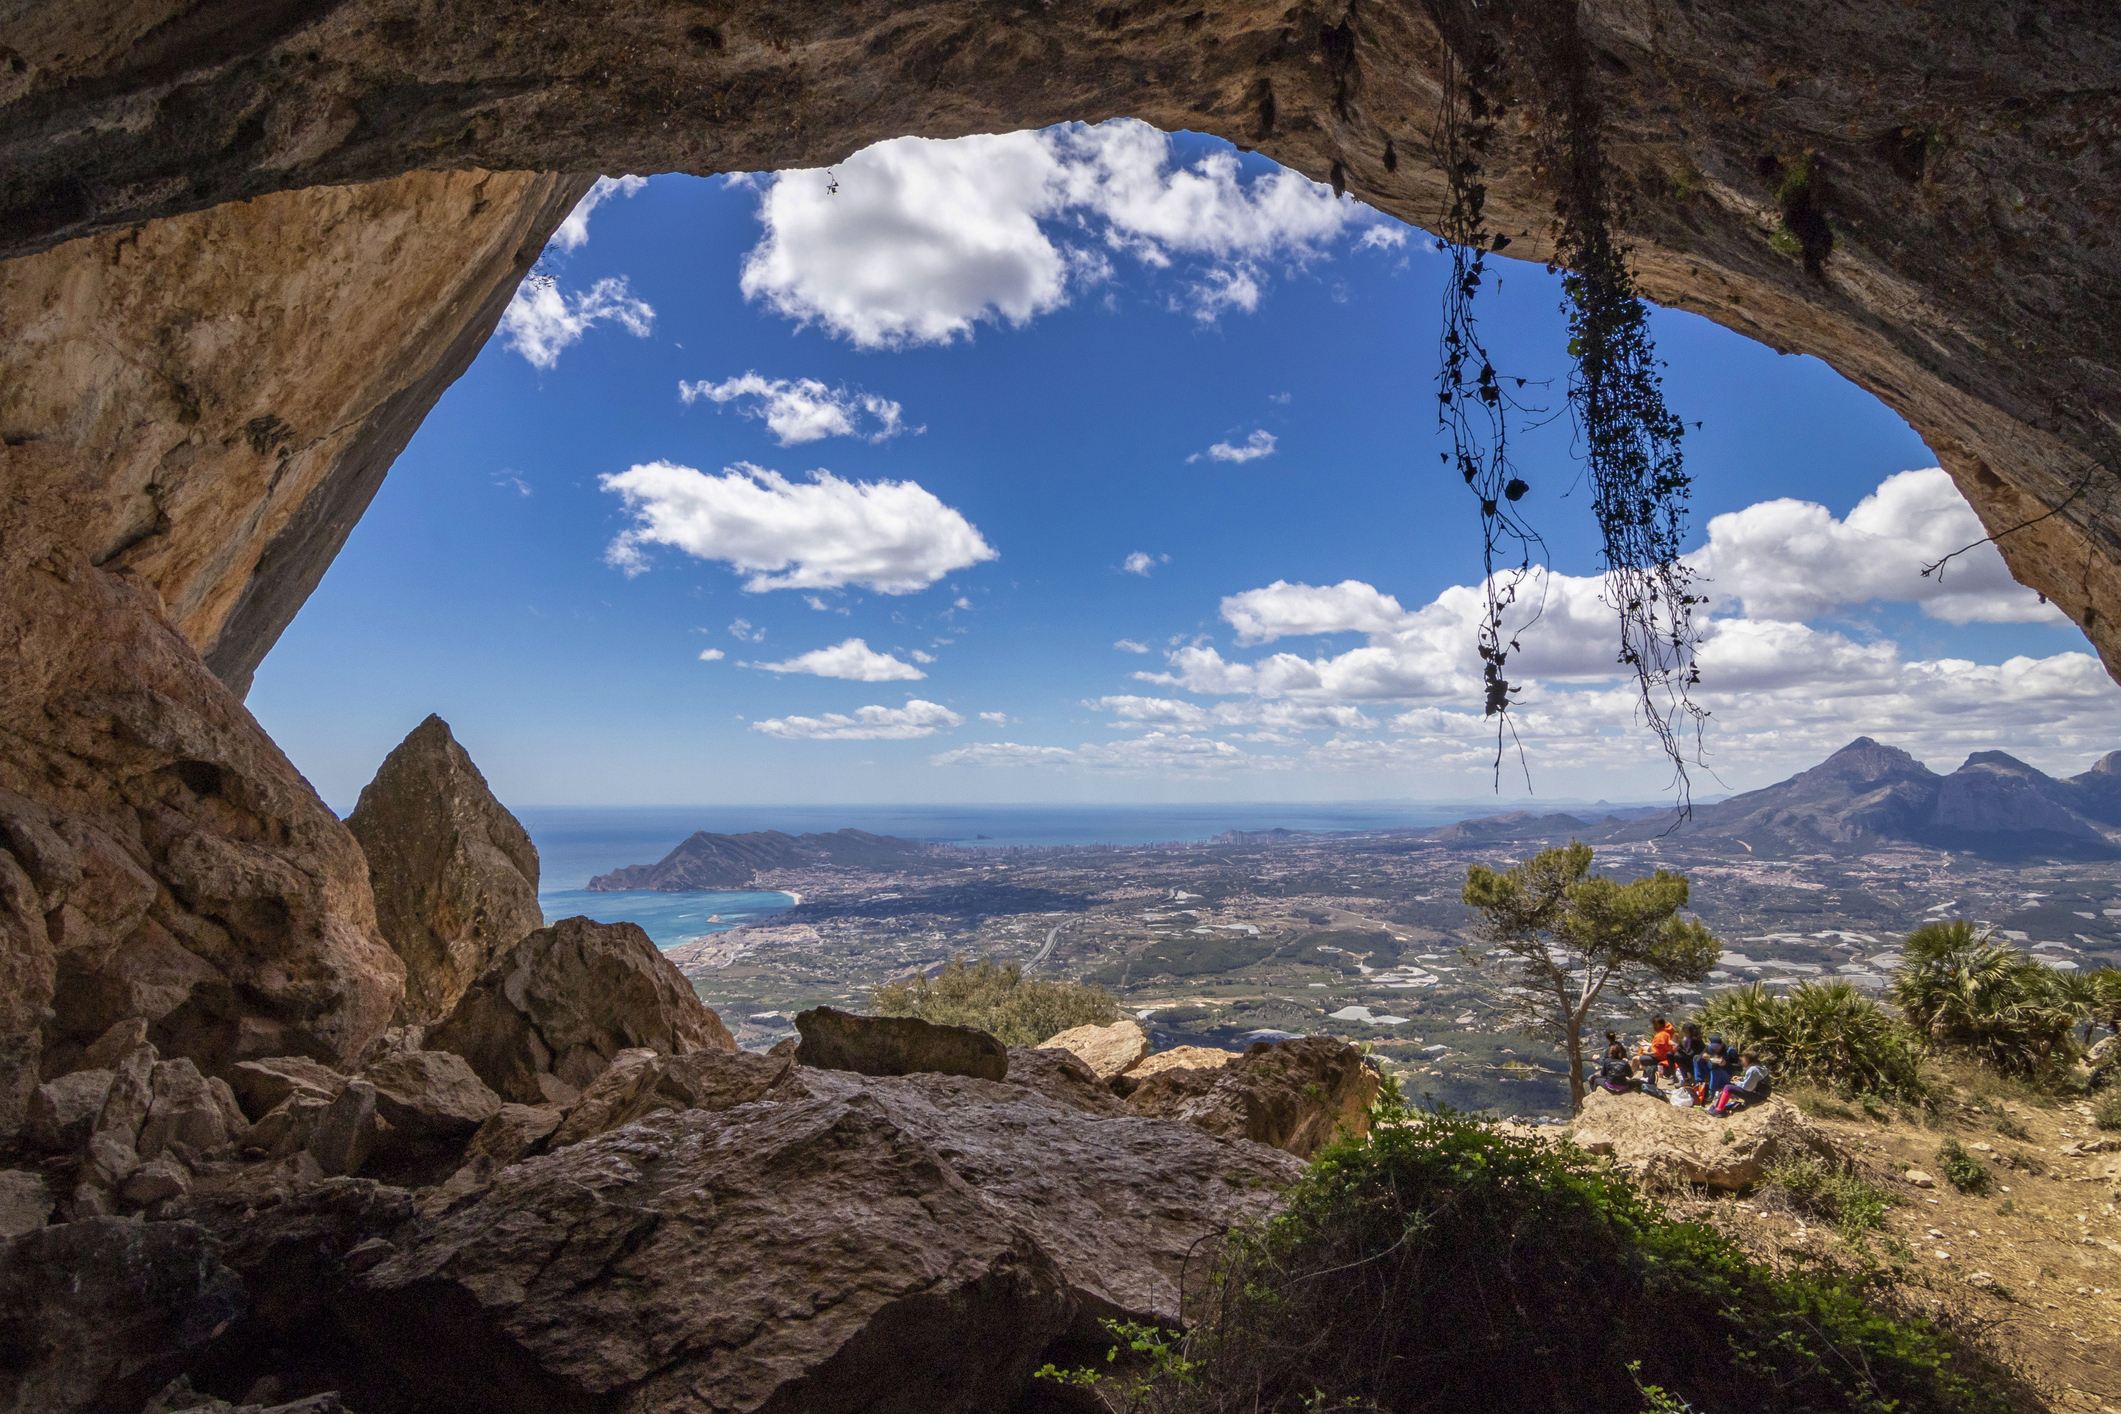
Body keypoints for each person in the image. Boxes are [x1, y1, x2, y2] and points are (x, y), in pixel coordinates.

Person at [1712, 1050, 1772, 1115]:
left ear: (1747, 1059)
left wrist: (1736, 1083)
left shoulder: (1753, 1070)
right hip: (1761, 1095)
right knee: (1730, 1087)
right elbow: (1754, 1080)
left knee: (1728, 1087)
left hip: (1757, 1097)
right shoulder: (1759, 1066)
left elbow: (1748, 1088)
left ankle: (1718, 1111)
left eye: (1743, 1057)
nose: (1742, 1058)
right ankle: (1718, 1107)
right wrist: (1741, 1078)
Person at [1696, 1033, 1731, 1104]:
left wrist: (1725, 1063)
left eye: (1718, 1046)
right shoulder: (1709, 1048)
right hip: (1712, 1071)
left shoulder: (1727, 1050)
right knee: (1696, 1058)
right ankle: (1699, 1081)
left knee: (1716, 1069)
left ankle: (1711, 1092)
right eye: (1713, 1046)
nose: (1716, 1048)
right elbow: (1700, 1057)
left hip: (1725, 1075)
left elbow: (1734, 1066)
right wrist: (1703, 1056)